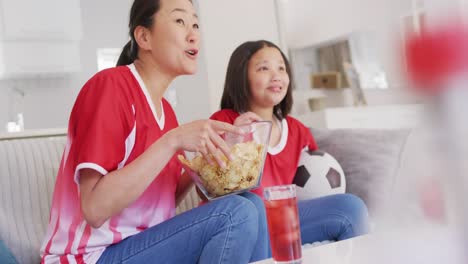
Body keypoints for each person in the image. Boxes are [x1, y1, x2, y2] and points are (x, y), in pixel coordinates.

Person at [40, 1, 269, 263]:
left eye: (195, 24)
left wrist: (219, 146)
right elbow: (94, 208)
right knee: (235, 212)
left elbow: (163, 198)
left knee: (252, 203)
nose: (193, 33)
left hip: (142, 248)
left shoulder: (166, 113)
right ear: (144, 37)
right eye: (180, 21)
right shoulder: (110, 87)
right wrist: (173, 141)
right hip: (90, 257)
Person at [210, 40, 370, 244]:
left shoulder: (298, 131)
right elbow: (208, 192)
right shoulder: (223, 122)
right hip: (245, 226)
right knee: (252, 209)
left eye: (281, 68)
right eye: (264, 68)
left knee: (351, 207)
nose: (276, 75)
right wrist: (235, 140)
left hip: (282, 220)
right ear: (241, 77)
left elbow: (317, 185)